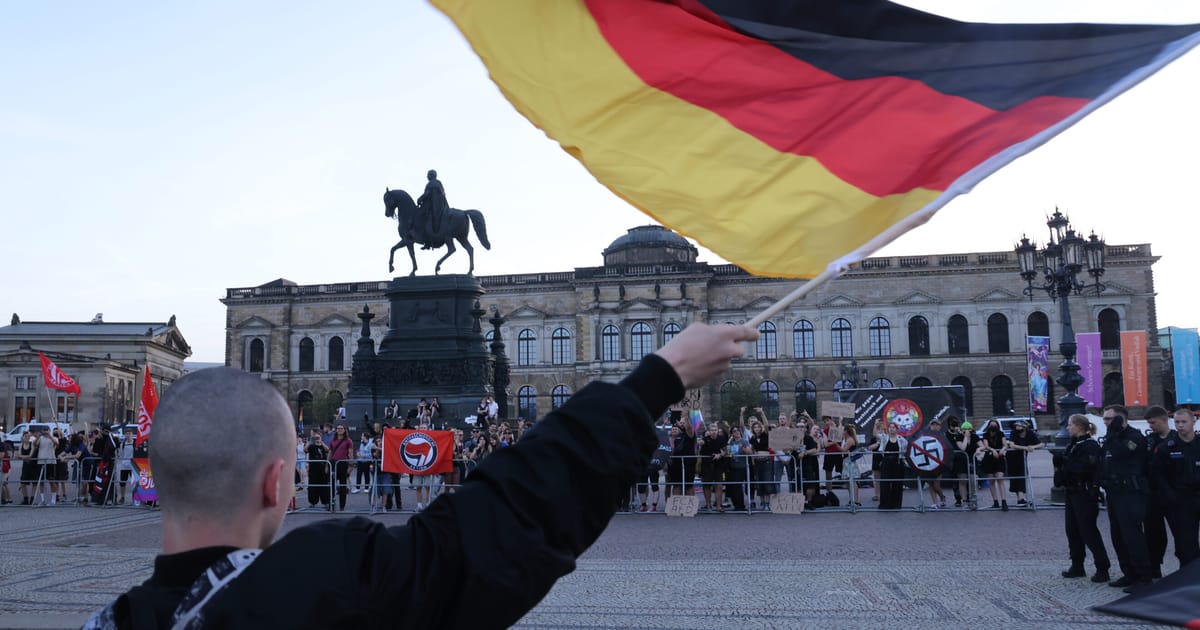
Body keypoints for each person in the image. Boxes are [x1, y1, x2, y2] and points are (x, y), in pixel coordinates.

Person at [82, 321, 755, 629]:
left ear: (158, 477)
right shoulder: (325, 585)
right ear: (278, 484)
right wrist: (653, 383)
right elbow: (499, 525)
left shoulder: (104, 622)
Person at [1098, 404, 1154, 592]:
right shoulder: (1112, 437)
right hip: (1115, 493)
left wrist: (1113, 434)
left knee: (1132, 536)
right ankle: (1128, 572)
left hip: (1131, 493)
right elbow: (1104, 459)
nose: (1105, 422)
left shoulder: (1134, 437)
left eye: (1109, 419)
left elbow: (1122, 453)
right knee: (1118, 536)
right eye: (1104, 419)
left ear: (1120, 419)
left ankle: (1144, 576)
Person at [1055, 414, 1111, 583]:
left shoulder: (1090, 445)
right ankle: (1077, 564)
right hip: (1072, 491)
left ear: (1079, 426)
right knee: (1072, 530)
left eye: (1070, 425)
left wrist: (1066, 462)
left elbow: (1085, 467)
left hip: (1085, 491)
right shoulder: (1074, 444)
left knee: (1088, 531)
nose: (1068, 428)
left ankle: (1102, 566)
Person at [1150, 407, 1199, 569]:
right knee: (1186, 542)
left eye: (1184, 422)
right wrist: (1171, 495)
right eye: (1177, 422)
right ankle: (1188, 576)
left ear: (1194, 421)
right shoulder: (1166, 447)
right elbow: (1158, 475)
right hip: (1181, 500)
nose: (1180, 425)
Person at [1142, 405, 1176, 578]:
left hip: (1174, 494)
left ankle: (1188, 568)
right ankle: (1155, 566)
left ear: (1164, 420)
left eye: (1153, 422)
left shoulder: (1177, 439)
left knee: (1182, 533)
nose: (1151, 426)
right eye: (1149, 423)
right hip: (1152, 495)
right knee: (1154, 533)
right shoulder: (1149, 441)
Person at [1005, 420, 1042, 507]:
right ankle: (1020, 498)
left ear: (1025, 427)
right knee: (1015, 477)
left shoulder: (1030, 433)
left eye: (1019, 426)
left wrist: (1032, 447)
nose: (1017, 428)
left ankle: (1021, 499)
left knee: (1023, 475)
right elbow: (1012, 445)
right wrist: (1025, 448)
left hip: (1022, 457)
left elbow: (1041, 444)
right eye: (1016, 426)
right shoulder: (1013, 433)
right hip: (1012, 457)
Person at [416, 169, 448, 249]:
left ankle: (427, 240)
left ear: (431, 175)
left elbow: (427, 194)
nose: (427, 176)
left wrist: (419, 199)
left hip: (433, 207)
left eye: (428, 175)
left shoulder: (432, 183)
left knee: (421, 218)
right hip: (439, 206)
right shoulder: (438, 183)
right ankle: (427, 241)